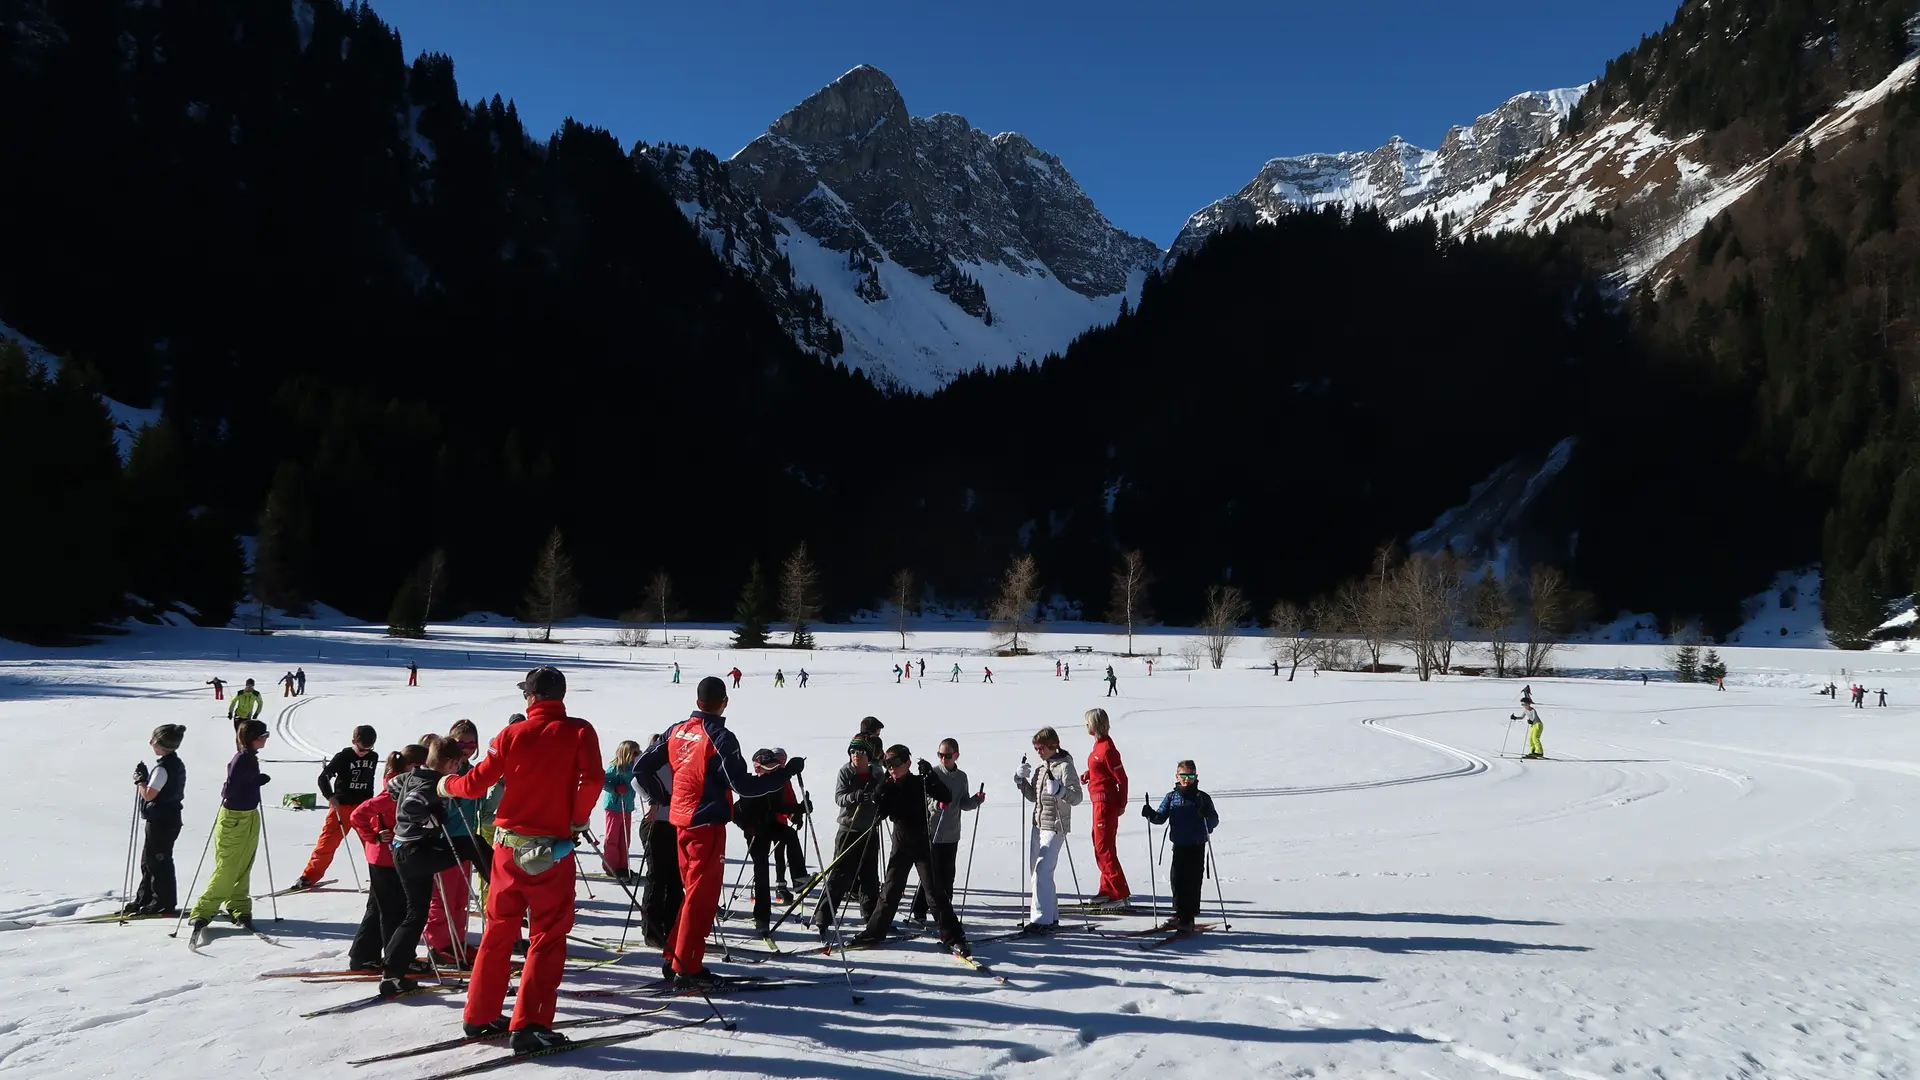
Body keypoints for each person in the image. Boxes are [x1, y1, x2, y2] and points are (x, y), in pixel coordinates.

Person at [436, 666, 602, 1052]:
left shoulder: (511, 734)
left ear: (530, 697)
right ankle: (529, 1024)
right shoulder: (580, 730)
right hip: (550, 850)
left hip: (508, 849)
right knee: (547, 934)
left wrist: (447, 784)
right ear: (560, 696)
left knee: (498, 930)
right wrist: (577, 819)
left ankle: (479, 1014)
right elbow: (592, 780)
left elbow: (476, 781)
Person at [634, 676, 803, 990]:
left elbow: (641, 767)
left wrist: (664, 797)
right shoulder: (720, 736)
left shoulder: (675, 730)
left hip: (681, 821)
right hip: (705, 824)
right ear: (725, 701)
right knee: (702, 898)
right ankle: (688, 966)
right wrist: (782, 775)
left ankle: (675, 957)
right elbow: (743, 786)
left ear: (698, 702)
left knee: (691, 895)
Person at [852, 746, 970, 954]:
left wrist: (932, 776)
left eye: (896, 763)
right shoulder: (889, 785)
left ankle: (953, 936)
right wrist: (879, 792)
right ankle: (874, 931)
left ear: (907, 762)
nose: (892, 768)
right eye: (888, 765)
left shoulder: (920, 782)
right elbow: (882, 811)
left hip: (923, 842)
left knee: (934, 892)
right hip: (901, 842)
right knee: (890, 890)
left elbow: (946, 796)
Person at [381, 741, 461, 996]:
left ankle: (392, 974)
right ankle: (496, 878)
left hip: (403, 849)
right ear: (450, 762)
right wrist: (431, 820)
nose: (457, 770)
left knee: (415, 914)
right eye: (457, 765)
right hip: (415, 851)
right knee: (469, 846)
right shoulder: (432, 782)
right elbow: (411, 806)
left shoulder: (414, 774)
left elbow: (393, 786)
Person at [187, 720, 271, 936]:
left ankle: (239, 905)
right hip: (234, 818)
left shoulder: (250, 757)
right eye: (264, 735)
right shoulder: (242, 759)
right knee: (228, 867)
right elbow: (230, 790)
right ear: (253, 737)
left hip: (249, 816)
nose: (266, 739)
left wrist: (255, 781)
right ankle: (204, 910)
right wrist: (254, 782)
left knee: (244, 865)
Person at [348, 748, 414, 972]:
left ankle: (363, 955)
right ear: (410, 767)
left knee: (378, 907)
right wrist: (373, 836)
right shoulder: (393, 791)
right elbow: (358, 815)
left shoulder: (401, 787)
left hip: (387, 856)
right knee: (391, 909)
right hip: (383, 858)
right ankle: (392, 959)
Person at [1014, 727, 1084, 931]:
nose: (1038, 751)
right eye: (1035, 748)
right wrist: (1020, 781)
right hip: (1038, 825)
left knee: (1042, 871)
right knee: (1038, 873)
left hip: (1055, 826)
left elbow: (1077, 797)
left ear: (1053, 745)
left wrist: (1061, 791)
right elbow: (1032, 797)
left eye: (1041, 747)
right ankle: (1051, 915)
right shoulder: (1041, 768)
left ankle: (1041, 920)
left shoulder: (1065, 768)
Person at [813, 736, 882, 941]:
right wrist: (855, 796)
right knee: (839, 875)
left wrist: (876, 796)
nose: (855, 756)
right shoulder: (845, 772)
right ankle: (823, 917)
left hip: (869, 830)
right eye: (853, 752)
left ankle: (871, 918)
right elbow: (839, 797)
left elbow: (882, 794)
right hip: (848, 828)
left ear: (868, 756)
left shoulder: (876, 773)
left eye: (860, 753)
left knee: (870, 876)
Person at [295, 725, 379, 890]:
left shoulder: (373, 756)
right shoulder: (343, 756)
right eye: (361, 749)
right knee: (327, 843)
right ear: (353, 741)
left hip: (364, 808)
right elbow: (323, 778)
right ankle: (309, 876)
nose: (364, 752)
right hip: (342, 807)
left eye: (368, 749)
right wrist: (330, 796)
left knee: (374, 843)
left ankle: (380, 875)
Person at [733, 748, 806, 936]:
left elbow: (778, 807)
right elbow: (737, 812)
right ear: (757, 767)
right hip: (756, 832)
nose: (771, 771)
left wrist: (799, 808)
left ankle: (799, 878)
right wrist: (748, 825)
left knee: (790, 835)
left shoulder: (773, 785)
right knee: (762, 872)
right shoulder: (750, 784)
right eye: (767, 768)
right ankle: (762, 918)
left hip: (770, 825)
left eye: (773, 767)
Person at [911, 738, 982, 925]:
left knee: (948, 875)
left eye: (947, 755)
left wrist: (976, 800)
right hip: (932, 831)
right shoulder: (932, 773)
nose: (943, 759)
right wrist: (936, 804)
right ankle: (919, 910)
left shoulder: (961, 777)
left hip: (951, 834)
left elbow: (963, 802)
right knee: (930, 875)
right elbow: (925, 799)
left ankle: (945, 911)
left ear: (956, 755)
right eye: (940, 755)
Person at [1140, 760, 1218, 931]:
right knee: (1177, 880)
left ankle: (1188, 917)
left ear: (1196, 777)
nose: (1186, 779)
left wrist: (1207, 817)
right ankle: (1178, 913)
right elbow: (1160, 817)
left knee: (1193, 881)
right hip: (1179, 844)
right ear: (1177, 776)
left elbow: (1214, 820)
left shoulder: (1202, 797)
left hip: (1196, 845)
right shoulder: (1171, 796)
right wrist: (1150, 814)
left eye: (1190, 776)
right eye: (1183, 776)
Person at [127, 724, 187, 916]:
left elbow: (149, 795)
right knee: (149, 860)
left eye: (153, 741)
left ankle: (162, 902)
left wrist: (140, 781)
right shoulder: (173, 764)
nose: (150, 743)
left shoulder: (163, 769)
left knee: (158, 862)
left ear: (161, 745)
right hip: (165, 818)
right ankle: (144, 898)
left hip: (163, 820)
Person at [636, 733, 681, 950]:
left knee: (675, 879)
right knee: (657, 878)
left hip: (675, 824)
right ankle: (652, 932)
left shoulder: (675, 763)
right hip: (655, 824)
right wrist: (652, 799)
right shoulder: (650, 765)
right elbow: (636, 779)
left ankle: (673, 927)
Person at [1080, 708, 1130, 904]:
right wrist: (1089, 775)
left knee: (1104, 848)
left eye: (1087, 723)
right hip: (1098, 802)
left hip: (1105, 803)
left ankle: (1119, 893)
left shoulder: (1107, 749)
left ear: (1094, 725)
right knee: (1100, 844)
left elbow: (1122, 778)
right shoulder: (1098, 747)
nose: (1086, 727)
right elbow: (1101, 769)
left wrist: (1122, 803)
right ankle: (1107, 888)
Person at [443, 719, 492, 887]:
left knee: (461, 893)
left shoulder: (472, 772)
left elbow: (481, 805)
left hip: (467, 837)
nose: (466, 749)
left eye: (471, 745)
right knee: (446, 894)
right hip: (445, 841)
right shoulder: (443, 772)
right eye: (461, 743)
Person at [601, 740, 640, 881]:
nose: (638, 755)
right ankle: (611, 866)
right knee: (612, 837)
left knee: (625, 838)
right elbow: (603, 781)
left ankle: (623, 865)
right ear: (626, 754)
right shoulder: (616, 768)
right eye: (635, 753)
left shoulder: (634, 768)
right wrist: (615, 788)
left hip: (627, 806)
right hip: (614, 806)